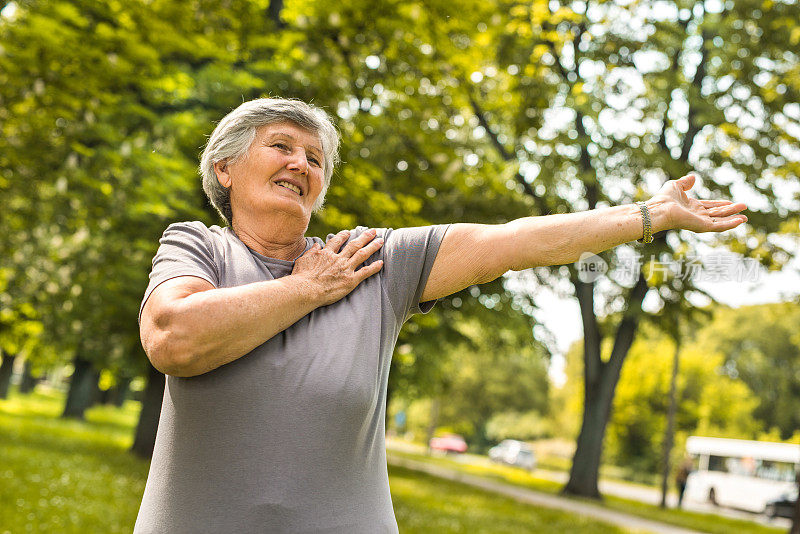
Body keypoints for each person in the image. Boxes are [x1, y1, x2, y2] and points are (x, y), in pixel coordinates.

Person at [135, 97, 748, 533]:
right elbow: (173, 337)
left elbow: (514, 240)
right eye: (281, 147)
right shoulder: (198, 247)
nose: (302, 164)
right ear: (225, 170)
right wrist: (307, 289)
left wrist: (650, 214)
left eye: (315, 159)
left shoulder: (370, 263)